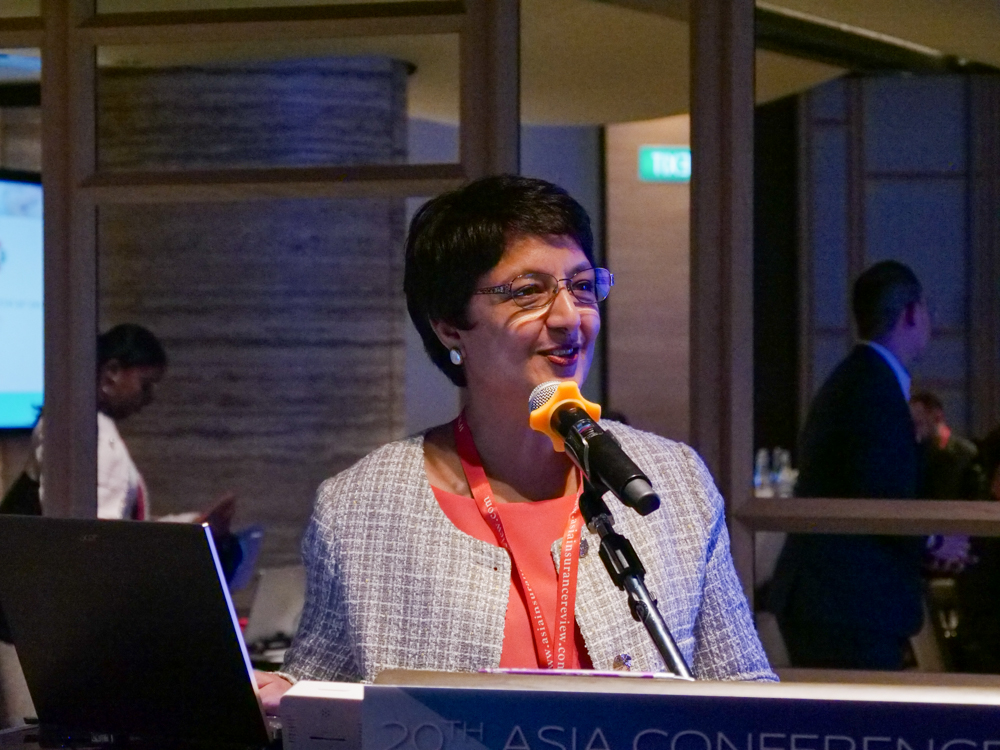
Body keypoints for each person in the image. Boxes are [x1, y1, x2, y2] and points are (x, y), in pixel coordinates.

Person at [256, 175, 775, 708]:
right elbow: (320, 694)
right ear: (450, 326)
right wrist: (286, 696)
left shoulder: (674, 480)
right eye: (529, 291)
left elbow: (748, 693)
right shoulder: (360, 507)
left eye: (582, 286)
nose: (569, 317)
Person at [769, 260, 932, 670]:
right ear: (911, 313)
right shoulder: (872, 388)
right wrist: (934, 539)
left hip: (834, 597)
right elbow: (878, 493)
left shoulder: (858, 378)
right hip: (847, 601)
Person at [910, 390, 984, 502]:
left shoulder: (964, 453)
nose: (915, 430)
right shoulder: (919, 453)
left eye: (919, 423)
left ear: (937, 416)